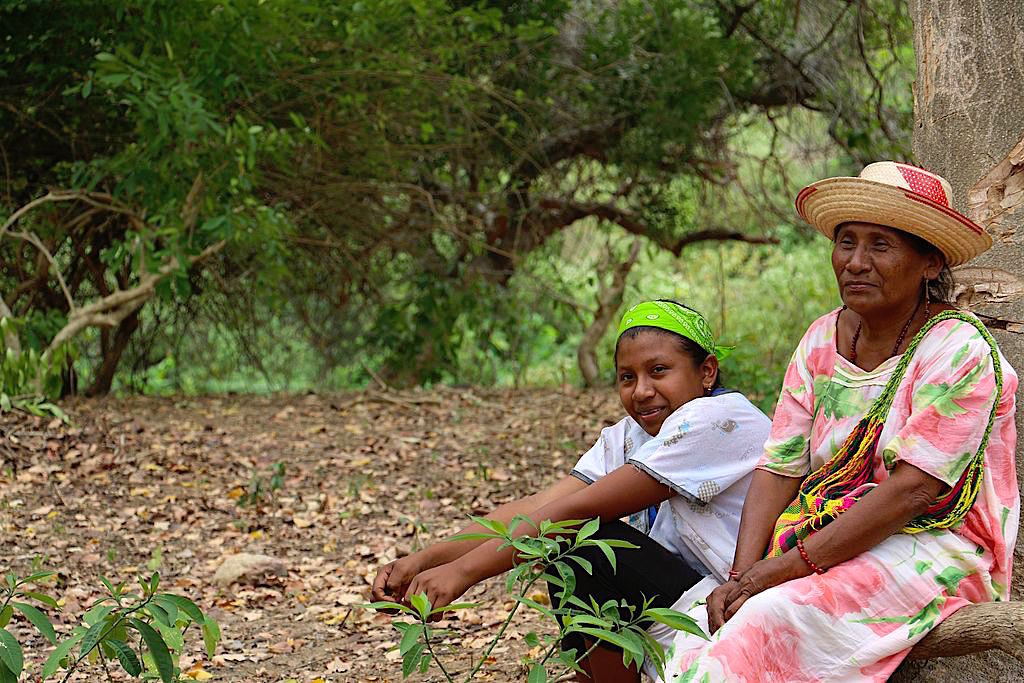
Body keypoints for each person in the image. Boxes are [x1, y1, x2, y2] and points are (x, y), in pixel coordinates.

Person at [660, 161, 1019, 682]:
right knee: (704, 627)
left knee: (767, 621)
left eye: (880, 245)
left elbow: (912, 493)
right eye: (846, 241)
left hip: (937, 547)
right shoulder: (821, 340)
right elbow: (780, 466)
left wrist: (780, 570)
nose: (855, 262)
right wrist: (741, 574)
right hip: (825, 534)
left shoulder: (958, 350)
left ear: (929, 262)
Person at [371, 300, 771, 682]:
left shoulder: (719, 419)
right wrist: (424, 560)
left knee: (584, 540)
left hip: (735, 602)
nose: (641, 390)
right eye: (627, 377)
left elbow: (578, 511)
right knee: (567, 549)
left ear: (707, 372)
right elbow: (541, 506)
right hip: (686, 601)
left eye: (659, 370)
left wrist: (463, 573)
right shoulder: (629, 435)